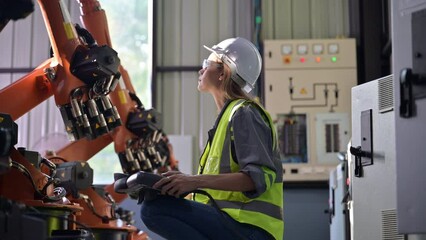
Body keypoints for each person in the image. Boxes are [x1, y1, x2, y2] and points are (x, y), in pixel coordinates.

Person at [140, 37, 284, 240]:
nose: (200, 70)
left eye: (206, 64)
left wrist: (193, 181)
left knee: (153, 209)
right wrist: (177, 187)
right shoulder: (228, 117)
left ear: (223, 73)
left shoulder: (244, 113)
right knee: (156, 203)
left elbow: (257, 178)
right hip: (235, 224)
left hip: (250, 229)